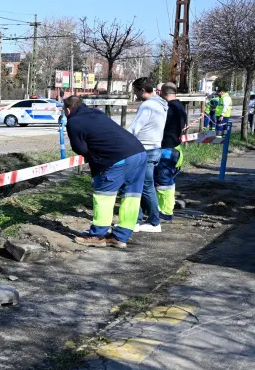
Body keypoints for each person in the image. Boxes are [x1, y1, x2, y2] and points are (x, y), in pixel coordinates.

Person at [64, 95, 147, 249]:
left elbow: (80, 148)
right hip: (139, 153)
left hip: (116, 158)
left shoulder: (73, 122)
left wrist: (92, 156)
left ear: (68, 110)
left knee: (104, 197)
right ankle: (120, 237)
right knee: (132, 198)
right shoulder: (97, 113)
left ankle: (97, 236)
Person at [127, 78, 168, 233]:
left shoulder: (147, 106)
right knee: (141, 186)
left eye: (136, 91)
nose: (135, 94)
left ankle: (153, 222)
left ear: (143, 90)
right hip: (154, 148)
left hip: (145, 150)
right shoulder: (160, 104)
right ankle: (136, 220)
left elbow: (134, 128)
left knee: (143, 187)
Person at [154, 82, 188, 223]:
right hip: (174, 148)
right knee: (168, 182)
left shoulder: (169, 108)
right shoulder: (180, 106)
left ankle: (165, 212)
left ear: (162, 92)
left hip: (167, 149)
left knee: (163, 182)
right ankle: (166, 208)